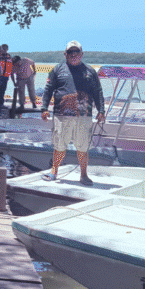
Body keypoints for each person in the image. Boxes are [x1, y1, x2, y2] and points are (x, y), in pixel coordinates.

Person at [41, 41, 106, 186]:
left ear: (82, 54)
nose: (73, 55)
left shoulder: (90, 71)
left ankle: (84, 175)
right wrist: (44, 108)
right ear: (65, 54)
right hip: (61, 115)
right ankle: (53, 172)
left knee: (83, 147)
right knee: (59, 145)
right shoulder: (57, 70)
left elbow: (98, 92)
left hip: (84, 115)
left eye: (76, 52)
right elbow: (48, 90)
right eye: (70, 52)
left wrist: (101, 110)